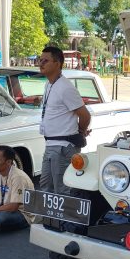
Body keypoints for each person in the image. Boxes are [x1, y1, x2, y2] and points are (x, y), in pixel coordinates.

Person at [38, 46, 91, 195]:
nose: (41, 63)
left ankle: (65, 212)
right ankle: (48, 212)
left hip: (62, 146)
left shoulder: (65, 87)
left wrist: (80, 131)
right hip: (51, 144)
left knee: (62, 190)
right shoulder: (49, 84)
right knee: (46, 186)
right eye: (40, 60)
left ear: (57, 63)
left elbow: (85, 115)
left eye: (45, 61)